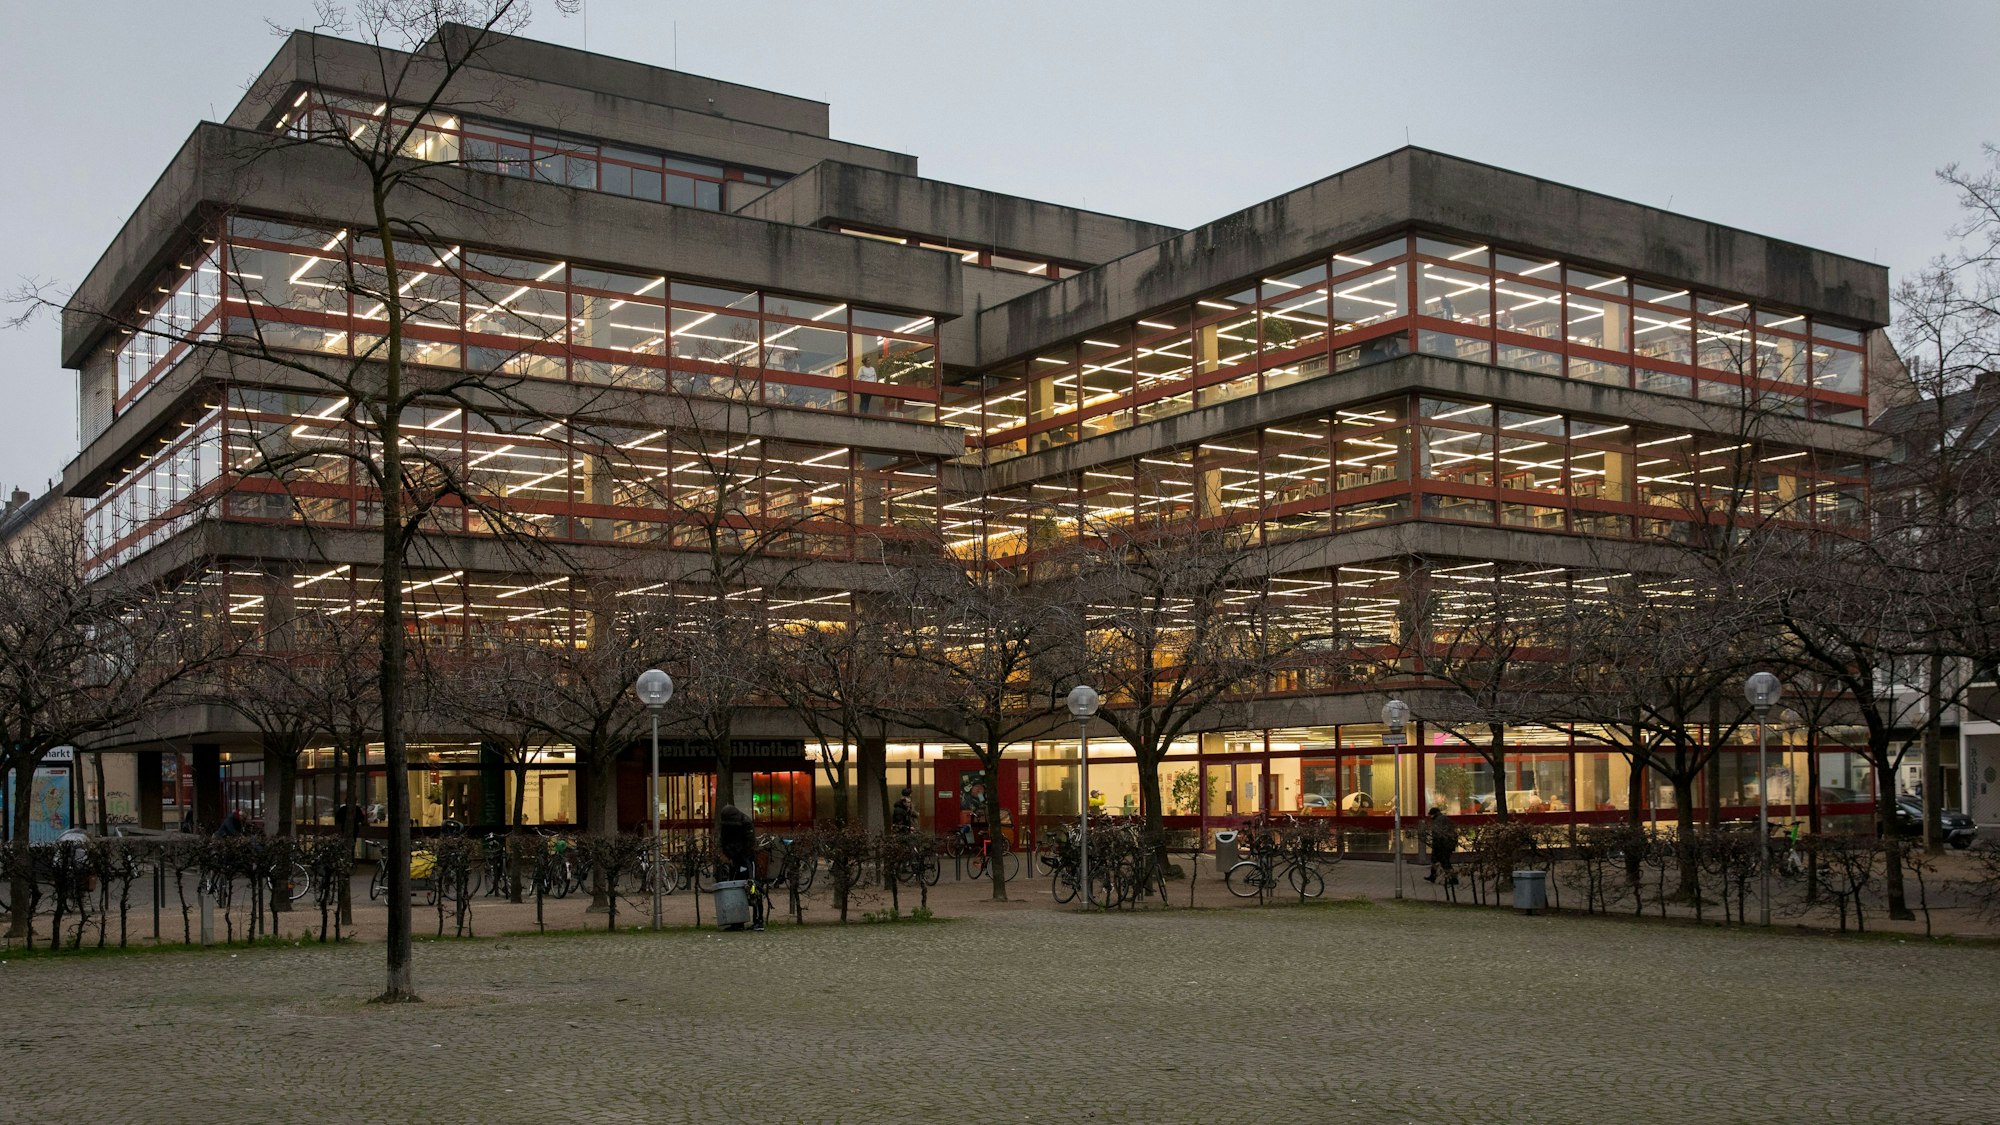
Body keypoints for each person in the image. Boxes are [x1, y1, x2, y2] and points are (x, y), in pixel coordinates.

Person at [717, 804, 763, 931]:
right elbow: (723, 840)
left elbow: (749, 844)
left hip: (746, 860)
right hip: (735, 859)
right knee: (735, 889)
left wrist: (736, 856)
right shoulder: (728, 824)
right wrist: (726, 855)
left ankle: (758, 920)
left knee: (753, 888)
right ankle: (737, 921)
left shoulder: (746, 822)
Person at [1424, 807, 1458, 884]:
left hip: (1443, 845)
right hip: (1447, 844)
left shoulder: (1438, 820)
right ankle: (1433, 876)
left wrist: (1436, 845)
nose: (1430, 817)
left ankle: (1453, 879)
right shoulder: (1443, 818)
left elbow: (1438, 834)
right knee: (1436, 860)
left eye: (1431, 815)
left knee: (1444, 862)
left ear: (1434, 814)